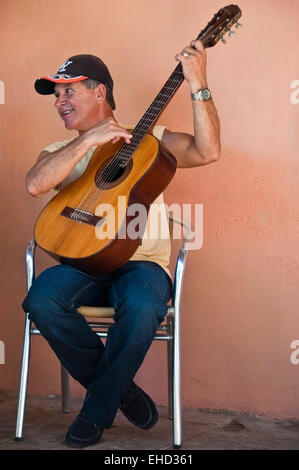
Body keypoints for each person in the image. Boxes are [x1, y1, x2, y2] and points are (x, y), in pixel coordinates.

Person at [23, 40, 221, 448]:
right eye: (55, 95)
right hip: (79, 265)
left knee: (147, 303)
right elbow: (35, 184)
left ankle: (95, 411)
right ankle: (119, 391)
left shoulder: (152, 140)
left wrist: (198, 81)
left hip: (140, 264)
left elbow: (208, 151)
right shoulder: (59, 151)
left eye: (68, 90)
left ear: (99, 91)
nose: (59, 101)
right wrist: (88, 141)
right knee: (40, 299)